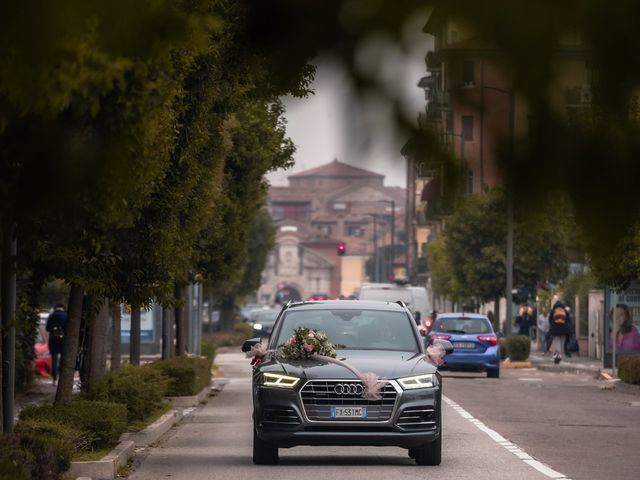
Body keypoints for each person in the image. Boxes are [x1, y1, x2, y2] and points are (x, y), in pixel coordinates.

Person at [46, 303, 68, 384]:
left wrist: (54, 330)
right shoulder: (66, 316)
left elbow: (47, 328)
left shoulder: (51, 316)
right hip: (63, 340)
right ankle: (61, 376)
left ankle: (54, 378)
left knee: (54, 359)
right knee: (63, 359)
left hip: (53, 339)